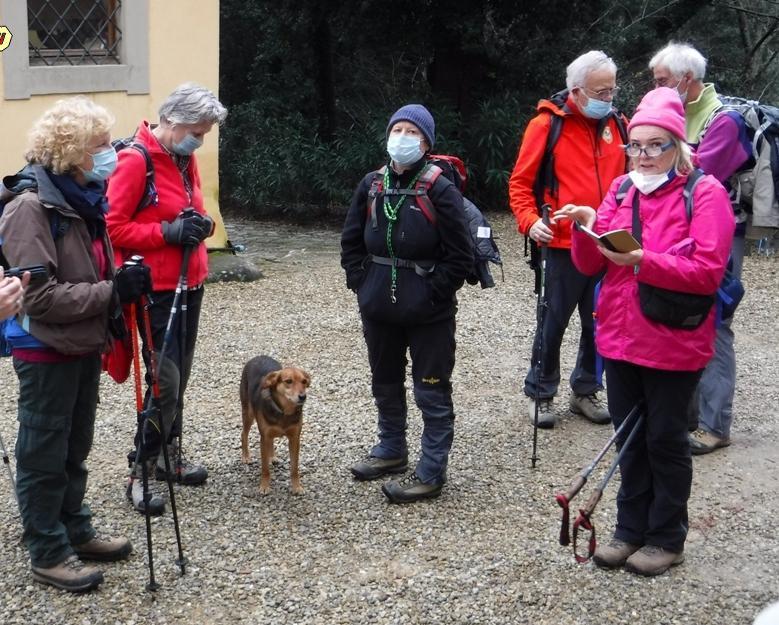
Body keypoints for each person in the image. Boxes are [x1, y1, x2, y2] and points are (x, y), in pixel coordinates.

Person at [554, 87, 734, 576]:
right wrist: (588, 226)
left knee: (665, 440)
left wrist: (643, 261)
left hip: (675, 340)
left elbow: (708, 271)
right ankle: (629, 530)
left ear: (679, 145)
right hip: (619, 336)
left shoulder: (707, 193)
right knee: (629, 440)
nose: (645, 155)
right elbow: (593, 263)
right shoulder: (621, 189)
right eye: (637, 145)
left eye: (658, 145)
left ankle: (666, 537)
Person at [0, 96, 150, 591]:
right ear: (72, 153)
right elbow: (38, 297)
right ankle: (46, 548)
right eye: (101, 145)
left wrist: (122, 276)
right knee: (44, 449)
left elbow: (88, 270)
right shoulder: (30, 208)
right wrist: (112, 291)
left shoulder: (82, 199)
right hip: (45, 348)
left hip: (83, 341)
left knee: (75, 445)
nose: (112, 152)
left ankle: (74, 527)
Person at [341, 104, 473, 503]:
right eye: (397, 129)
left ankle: (431, 471)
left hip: (429, 313)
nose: (402, 137)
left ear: (427, 142)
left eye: (412, 132)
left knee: (431, 390)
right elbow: (350, 241)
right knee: (384, 381)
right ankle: (391, 449)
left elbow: (460, 255)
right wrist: (362, 284)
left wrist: (434, 291)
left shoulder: (440, 188)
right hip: (378, 307)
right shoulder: (371, 185)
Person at [106, 83, 227, 515]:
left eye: (206, 131)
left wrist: (201, 225)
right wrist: (166, 234)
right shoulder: (134, 161)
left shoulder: (183, 156)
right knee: (166, 381)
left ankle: (168, 457)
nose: (201, 138)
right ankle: (140, 468)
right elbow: (113, 226)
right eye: (197, 129)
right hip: (153, 290)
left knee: (181, 376)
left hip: (189, 280)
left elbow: (191, 206)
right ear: (171, 120)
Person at [508, 50, 628, 428]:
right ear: (576, 90)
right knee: (553, 321)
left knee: (601, 322)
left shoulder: (620, 125)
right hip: (561, 246)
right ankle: (541, 393)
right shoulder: (546, 125)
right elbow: (520, 184)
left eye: (612, 89)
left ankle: (586, 389)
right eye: (601, 91)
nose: (608, 98)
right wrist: (529, 222)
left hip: (608, 243)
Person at [649, 42, 752, 454]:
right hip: (677, 232)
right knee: (678, 314)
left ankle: (715, 425)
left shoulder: (723, 122)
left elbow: (687, 172)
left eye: (661, 81)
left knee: (714, 320)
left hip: (719, 237)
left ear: (685, 80)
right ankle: (685, 416)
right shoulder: (679, 116)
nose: (655, 88)